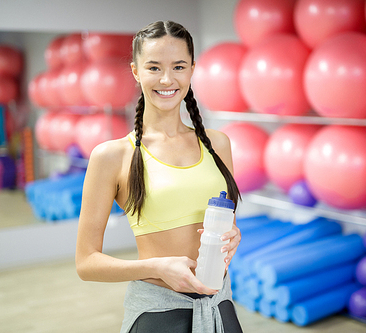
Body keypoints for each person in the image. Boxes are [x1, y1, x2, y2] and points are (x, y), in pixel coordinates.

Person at [75, 20, 243, 333]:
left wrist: (234, 235)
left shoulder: (218, 144)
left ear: (192, 69)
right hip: (158, 312)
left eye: (178, 66)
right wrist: (157, 267)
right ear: (136, 71)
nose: (167, 79)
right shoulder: (113, 156)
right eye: (154, 67)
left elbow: (225, 224)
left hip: (220, 305)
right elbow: (86, 263)